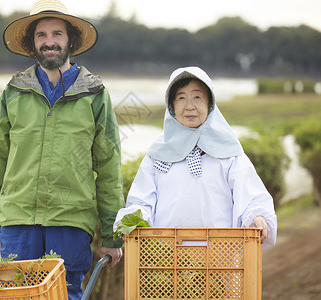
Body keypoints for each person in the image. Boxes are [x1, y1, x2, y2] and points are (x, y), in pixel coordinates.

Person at [0, 1, 124, 299]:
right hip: (18, 220)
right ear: (33, 43)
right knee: (18, 294)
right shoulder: (14, 92)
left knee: (65, 293)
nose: (49, 41)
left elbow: (108, 167)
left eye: (57, 33)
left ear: (71, 41)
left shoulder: (95, 95)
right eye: (41, 35)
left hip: (70, 219)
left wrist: (111, 234)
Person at [114, 66, 277, 249]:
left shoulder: (229, 154)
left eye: (197, 97)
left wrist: (258, 217)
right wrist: (133, 220)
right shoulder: (157, 156)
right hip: (168, 260)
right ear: (172, 107)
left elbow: (251, 197)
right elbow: (142, 201)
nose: (189, 106)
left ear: (210, 104)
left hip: (220, 258)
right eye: (181, 98)